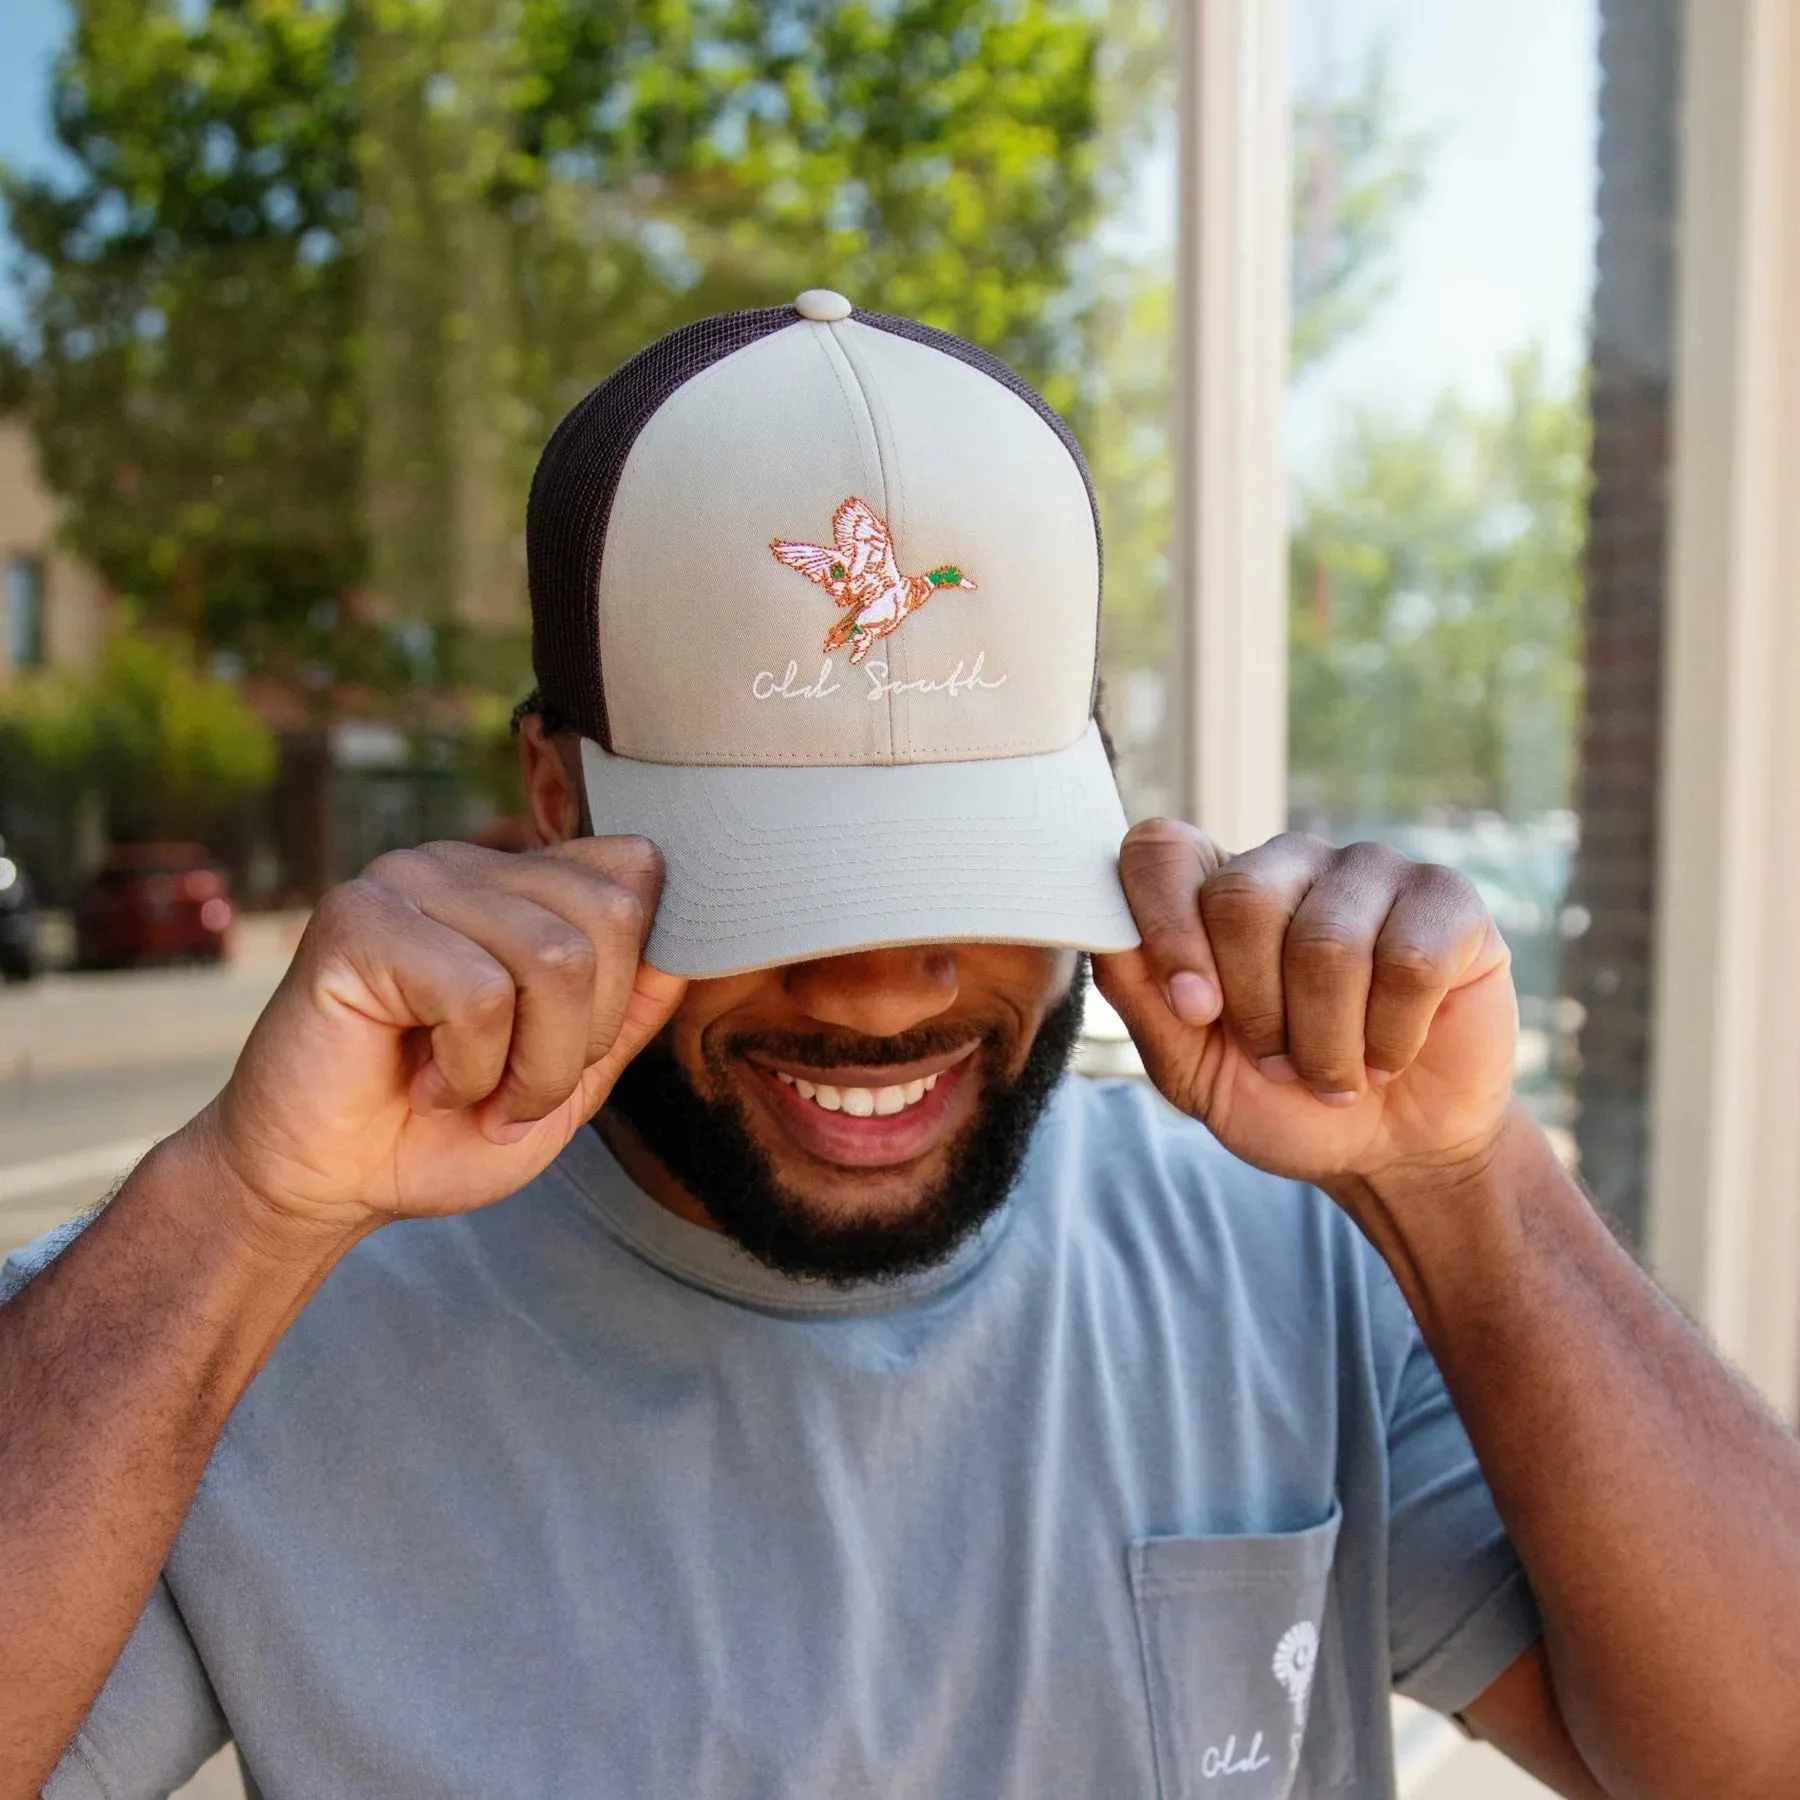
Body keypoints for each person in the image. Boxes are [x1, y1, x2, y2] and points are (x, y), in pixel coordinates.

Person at [3, 292, 1799, 1800]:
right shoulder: (227, 1330)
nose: (878, 987)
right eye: (771, 876)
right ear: (552, 800)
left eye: (968, 860)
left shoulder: (1296, 1262)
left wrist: (1465, 1180)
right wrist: (239, 1205)